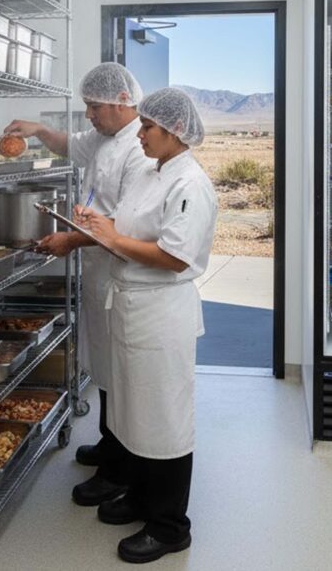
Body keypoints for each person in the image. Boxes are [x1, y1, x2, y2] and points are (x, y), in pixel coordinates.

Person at [75, 87, 218, 564]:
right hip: (131, 307)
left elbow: (175, 257)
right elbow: (128, 223)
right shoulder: (151, 172)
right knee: (132, 412)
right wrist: (99, 223)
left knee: (163, 419)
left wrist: (113, 239)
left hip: (160, 314)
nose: (140, 134)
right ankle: (139, 496)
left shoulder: (190, 184)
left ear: (175, 131)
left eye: (149, 127)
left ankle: (169, 525)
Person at [2, 62, 150, 507]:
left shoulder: (139, 149)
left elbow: (125, 226)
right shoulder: (105, 137)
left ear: (121, 102)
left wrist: (70, 239)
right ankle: (109, 443)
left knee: (120, 373)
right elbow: (69, 144)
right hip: (100, 269)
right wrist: (37, 130)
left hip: (122, 273)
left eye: (93, 107)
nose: (88, 114)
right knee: (103, 364)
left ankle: (120, 470)